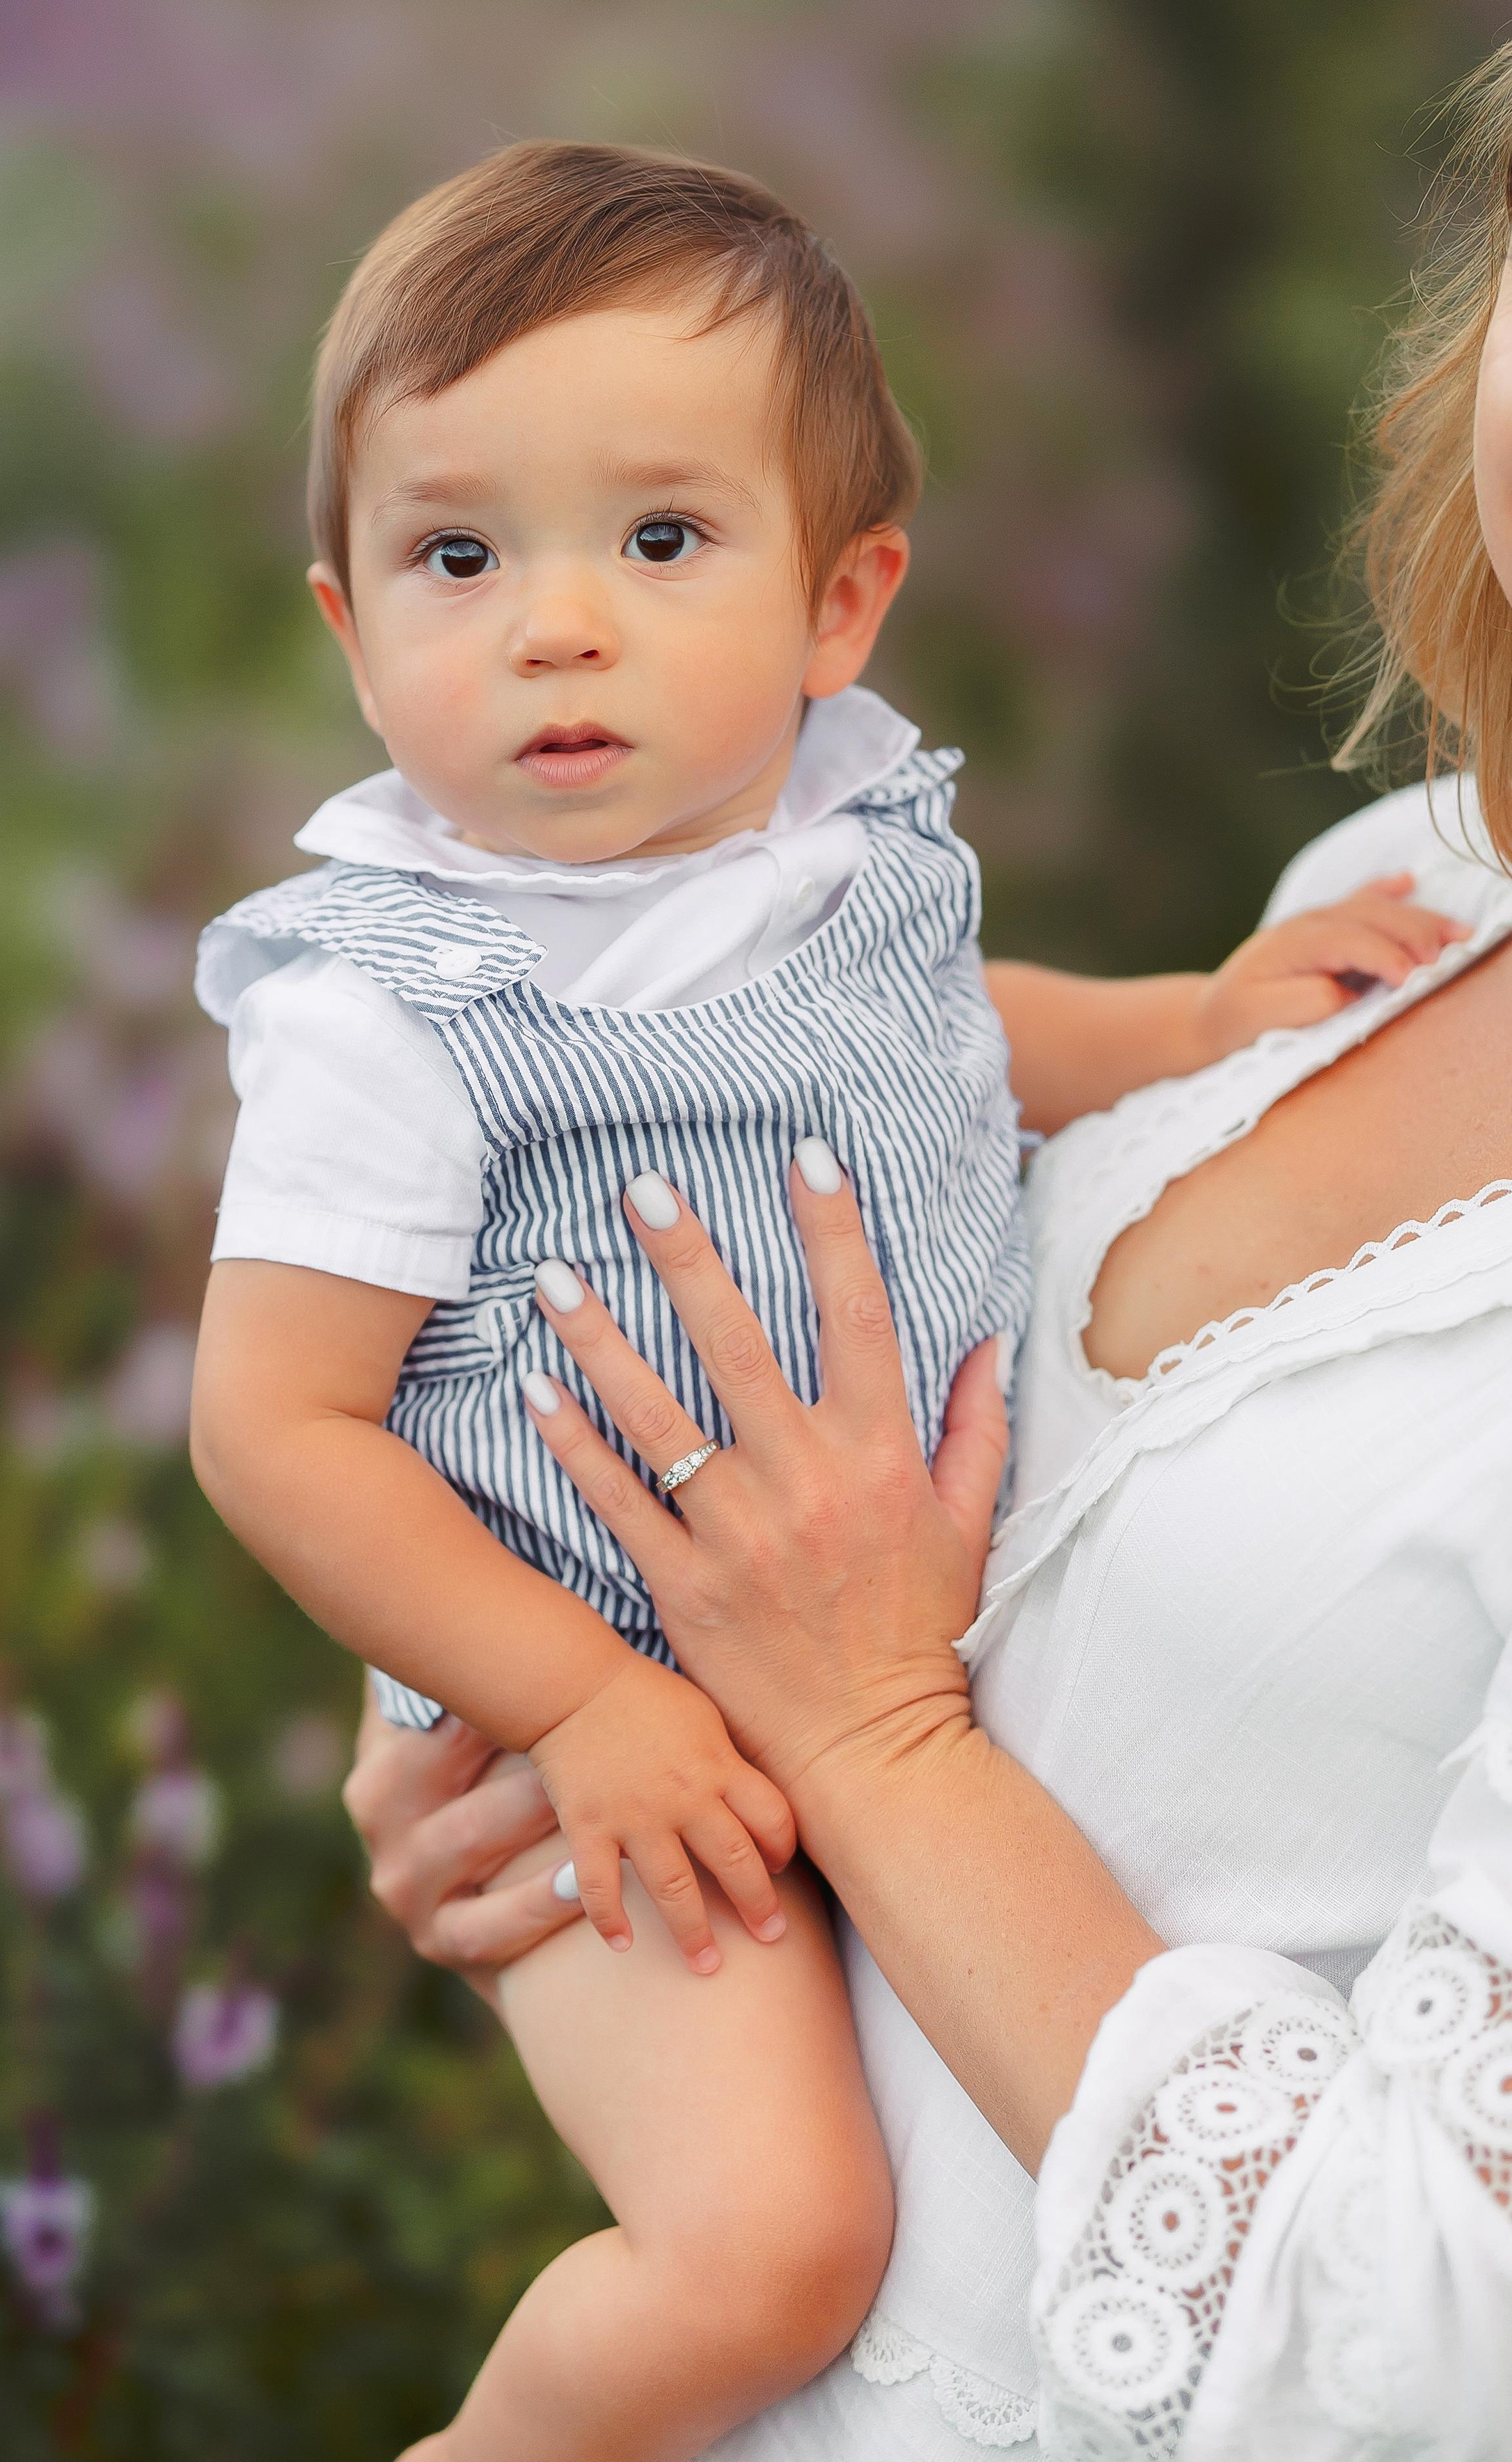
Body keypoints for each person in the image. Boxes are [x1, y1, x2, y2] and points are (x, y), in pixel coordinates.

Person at [188, 141, 1464, 2462]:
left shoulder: (838, 851)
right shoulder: (388, 1014)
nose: (554, 626)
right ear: (348, 628)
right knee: (770, 2248)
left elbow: (959, 1026)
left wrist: (1190, 1024)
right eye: (455, 556)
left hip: (830, 1749)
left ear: (841, 602)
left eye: (661, 542)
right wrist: (574, 1709)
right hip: (611, 1718)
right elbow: (276, 1427)